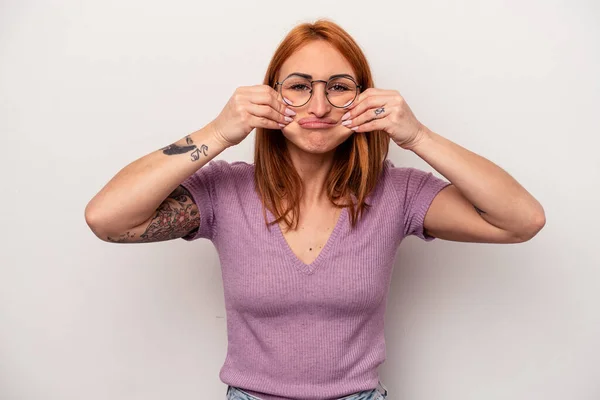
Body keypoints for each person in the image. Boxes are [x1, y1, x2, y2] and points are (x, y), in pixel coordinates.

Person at [84, 19, 545, 400]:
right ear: (269, 95)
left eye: (340, 87)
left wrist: (416, 135)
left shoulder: (397, 194)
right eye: (299, 87)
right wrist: (219, 131)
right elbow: (106, 218)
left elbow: (522, 220)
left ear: (365, 98)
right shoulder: (225, 191)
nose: (320, 106)